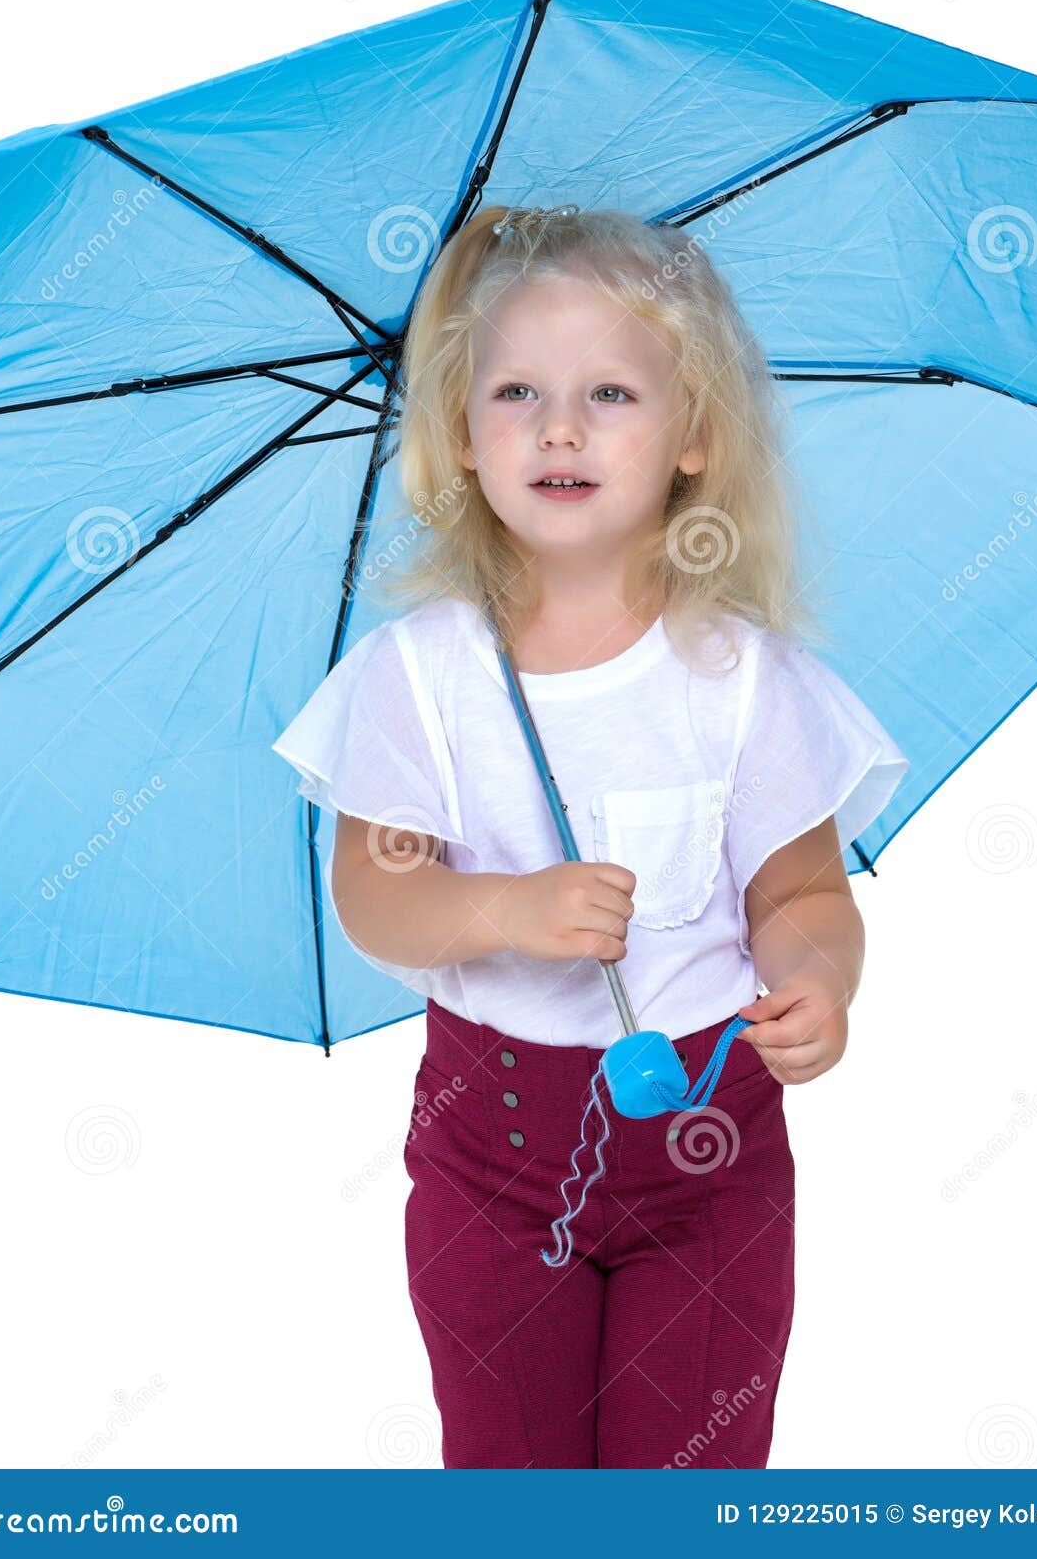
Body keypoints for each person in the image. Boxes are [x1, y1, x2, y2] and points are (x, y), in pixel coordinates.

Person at [271, 202, 909, 1468]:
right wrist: (501, 910)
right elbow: (373, 893)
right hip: (489, 1162)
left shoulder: (742, 677)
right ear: (460, 434)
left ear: (694, 440)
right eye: (515, 390)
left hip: (707, 1156)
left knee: (689, 1479)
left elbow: (800, 891)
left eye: (612, 390)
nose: (559, 426)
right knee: (514, 1480)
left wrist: (820, 980)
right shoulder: (420, 674)